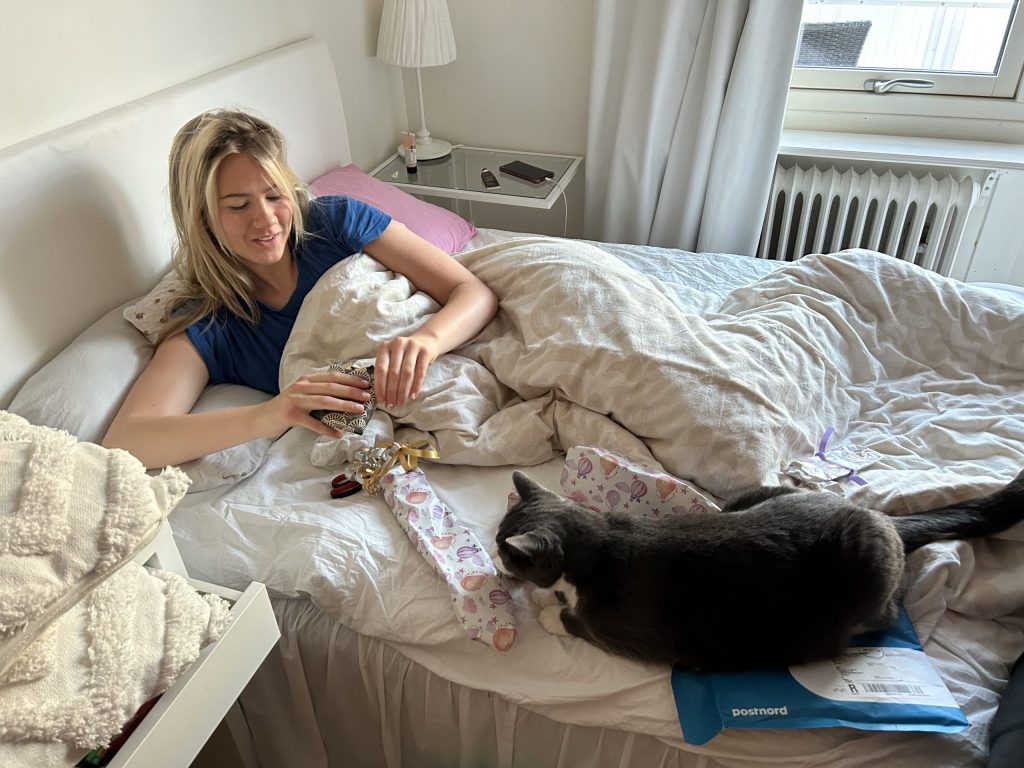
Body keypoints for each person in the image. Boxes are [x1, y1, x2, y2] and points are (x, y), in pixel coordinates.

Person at [102, 109, 498, 469]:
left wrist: (426, 341)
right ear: (201, 217)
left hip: (461, 361)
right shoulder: (211, 323)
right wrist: (273, 413)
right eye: (239, 206)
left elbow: (472, 291)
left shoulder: (335, 222)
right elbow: (129, 440)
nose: (267, 220)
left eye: (275, 195)